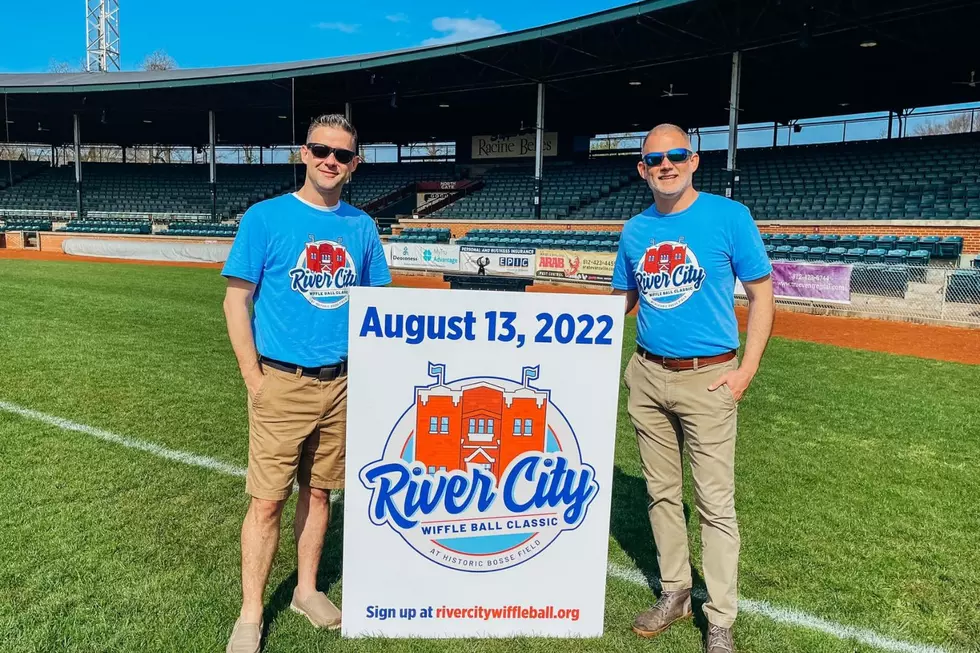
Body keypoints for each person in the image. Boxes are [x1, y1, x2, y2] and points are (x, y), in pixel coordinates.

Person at [221, 114, 391, 653]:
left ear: (355, 164)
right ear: (304, 152)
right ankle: (251, 613)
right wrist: (253, 376)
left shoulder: (361, 227)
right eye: (321, 150)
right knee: (267, 501)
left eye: (342, 155)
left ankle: (307, 590)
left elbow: (380, 307)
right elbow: (235, 300)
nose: (330, 161)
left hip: (340, 384)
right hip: (281, 381)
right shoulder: (265, 218)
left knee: (320, 492)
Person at [612, 124, 774, 653]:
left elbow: (762, 295)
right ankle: (676, 591)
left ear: (694, 160)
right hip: (648, 374)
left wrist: (746, 371)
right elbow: (623, 303)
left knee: (714, 503)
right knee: (661, 493)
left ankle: (721, 617)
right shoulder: (635, 230)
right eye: (654, 159)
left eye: (675, 155)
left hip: (711, 377)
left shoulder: (730, 216)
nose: (665, 164)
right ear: (642, 169)